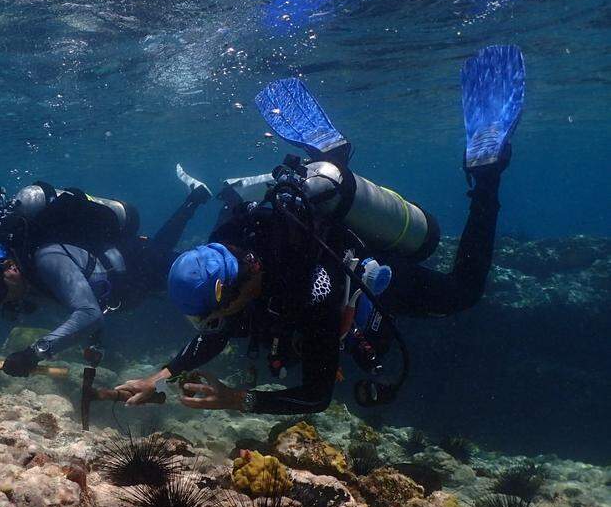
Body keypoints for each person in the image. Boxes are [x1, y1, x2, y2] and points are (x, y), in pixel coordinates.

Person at [116, 45, 526, 415]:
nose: (214, 323)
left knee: (462, 293)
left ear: (235, 287)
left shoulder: (315, 289)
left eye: (214, 312)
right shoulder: (227, 249)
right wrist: (157, 377)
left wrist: (237, 399)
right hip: (325, 228)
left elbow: (315, 395)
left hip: (365, 270)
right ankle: (332, 159)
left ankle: (485, 178)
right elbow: (218, 331)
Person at [0, 173, 213, 376]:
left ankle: (224, 209)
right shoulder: (1, 279)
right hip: (124, 286)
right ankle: (194, 199)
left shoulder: (47, 260)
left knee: (197, 272)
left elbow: (89, 312)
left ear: (7, 268)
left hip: (136, 269)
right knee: (164, 244)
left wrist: (35, 352)